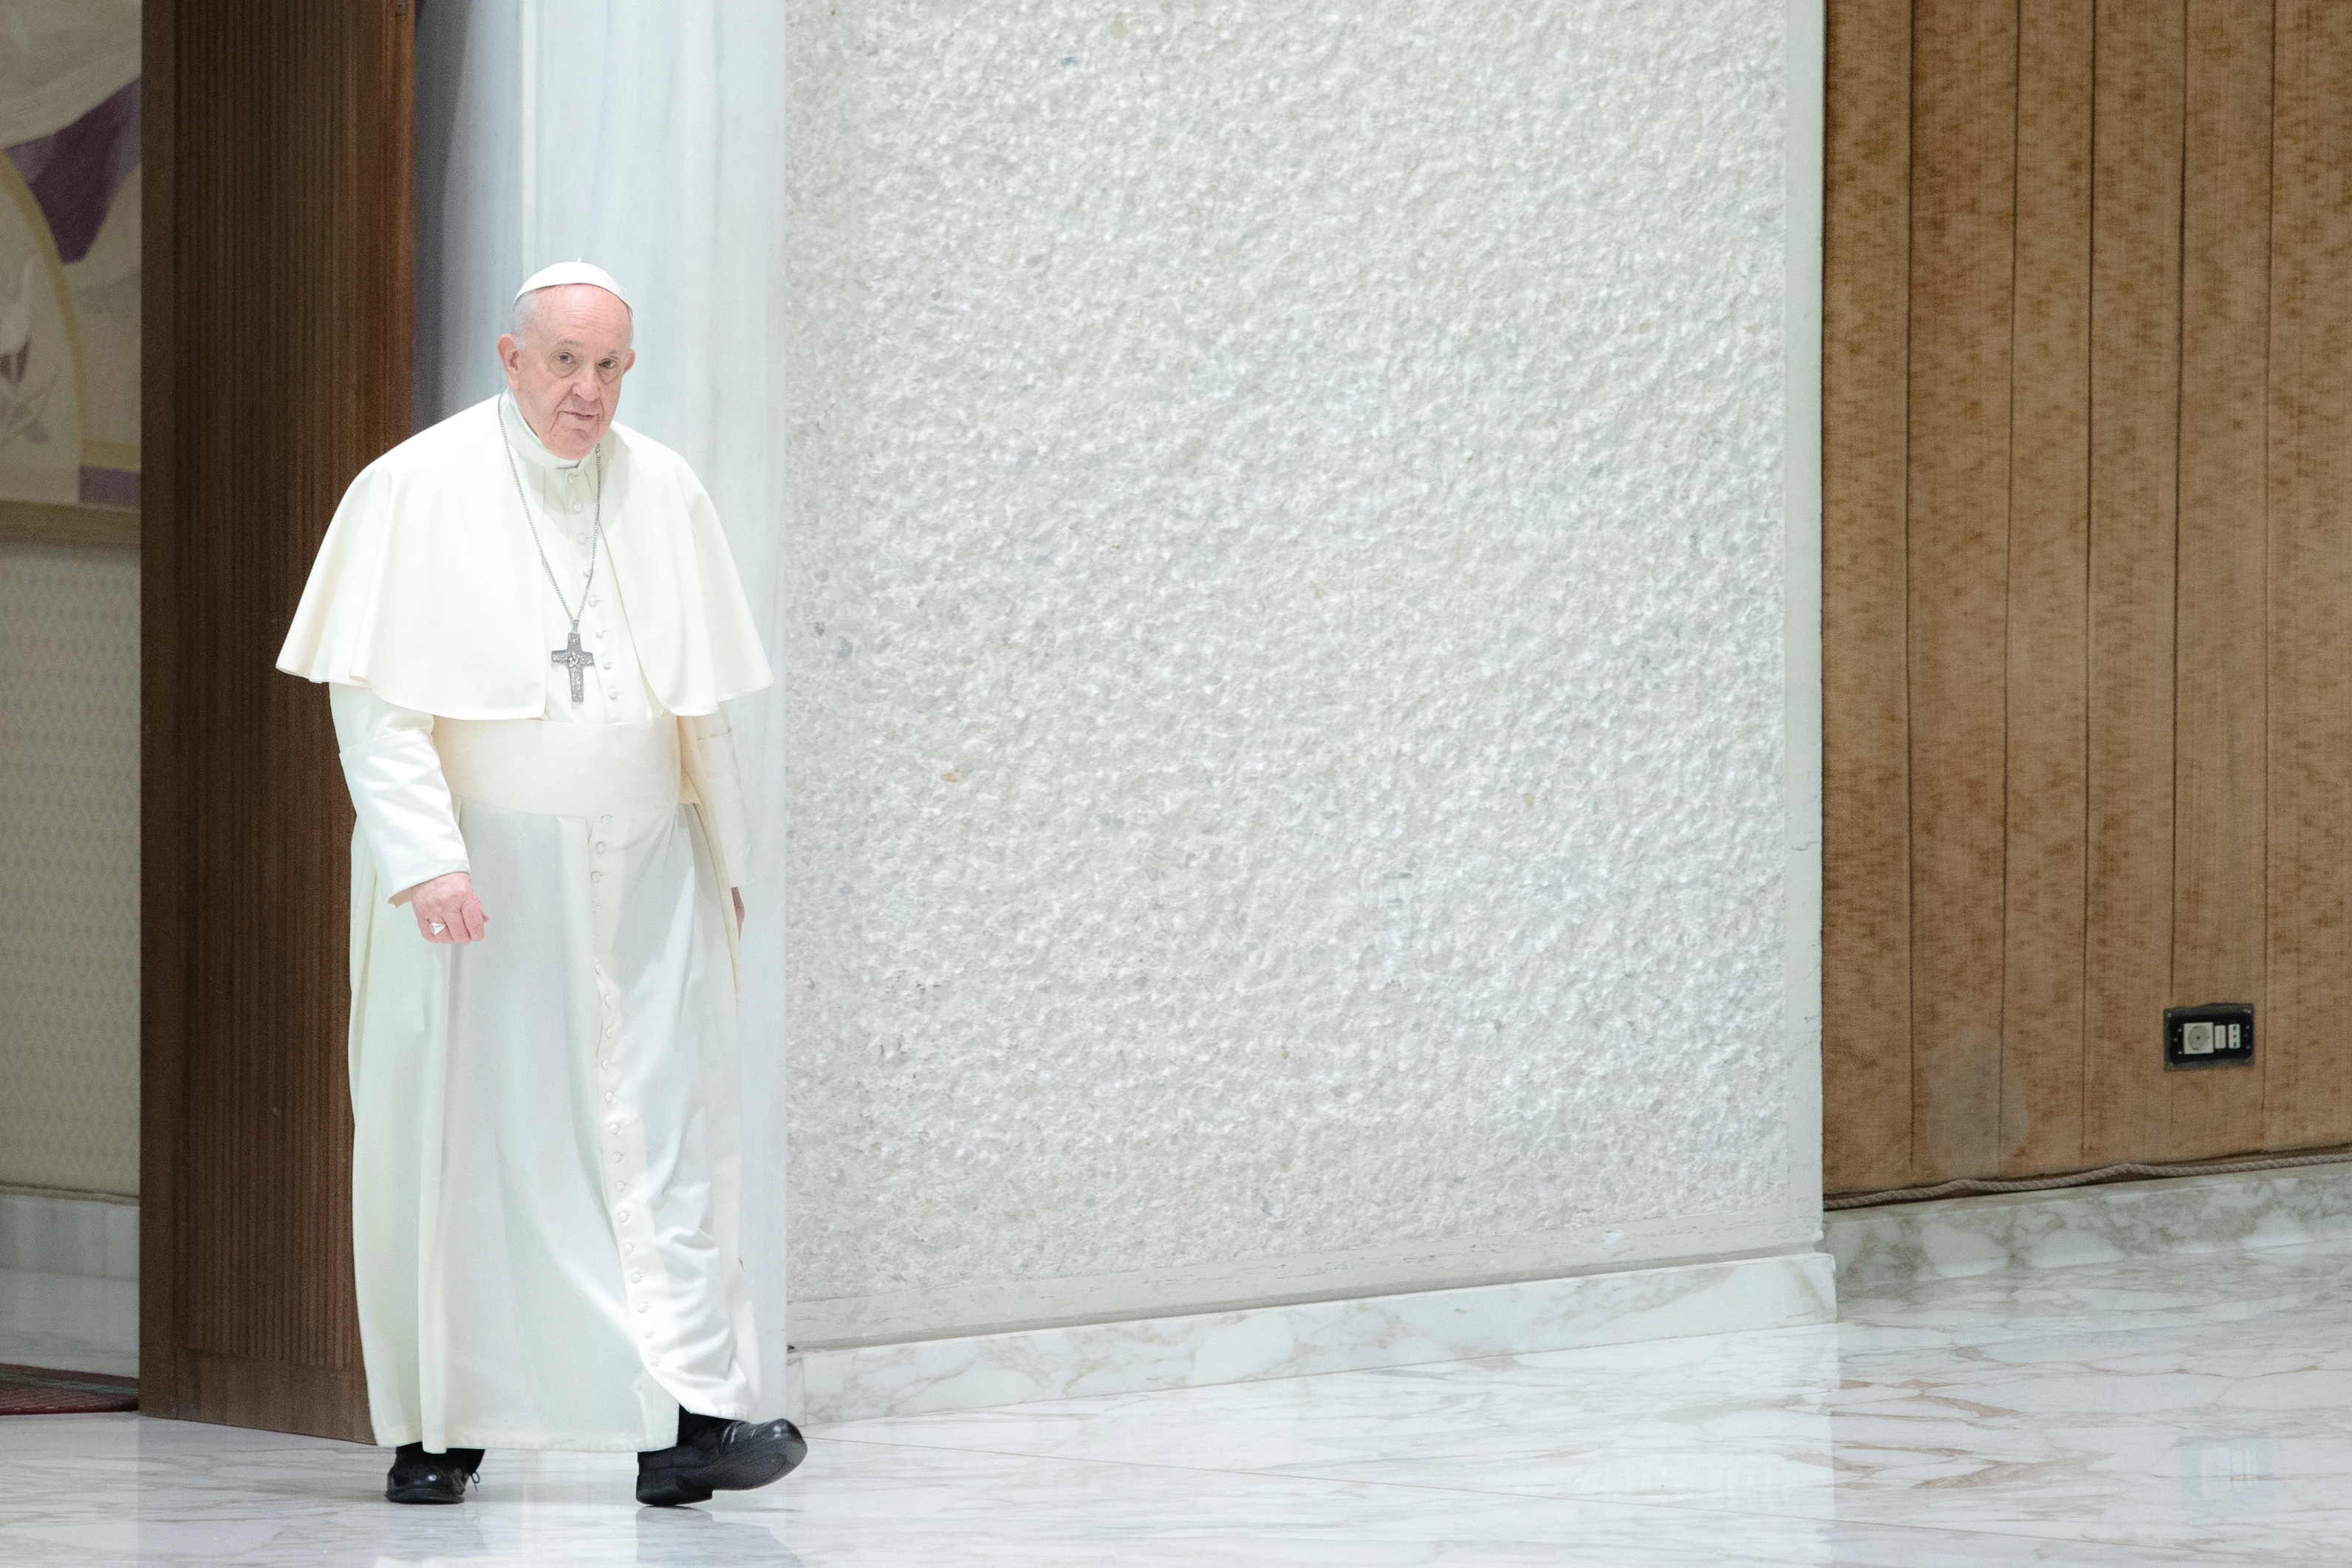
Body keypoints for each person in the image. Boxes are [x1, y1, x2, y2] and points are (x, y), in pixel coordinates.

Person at [277, 261, 802, 1507]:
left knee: (662, 1141)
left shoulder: (664, 489)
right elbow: (380, 707)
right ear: (510, 360)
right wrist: (428, 859)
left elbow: (701, 707)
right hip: (486, 885)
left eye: (610, 365)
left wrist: (726, 859)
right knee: (474, 1148)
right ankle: (441, 1427)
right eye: (564, 361)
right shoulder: (414, 489)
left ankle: (689, 1421)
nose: (588, 391)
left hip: (648, 872)